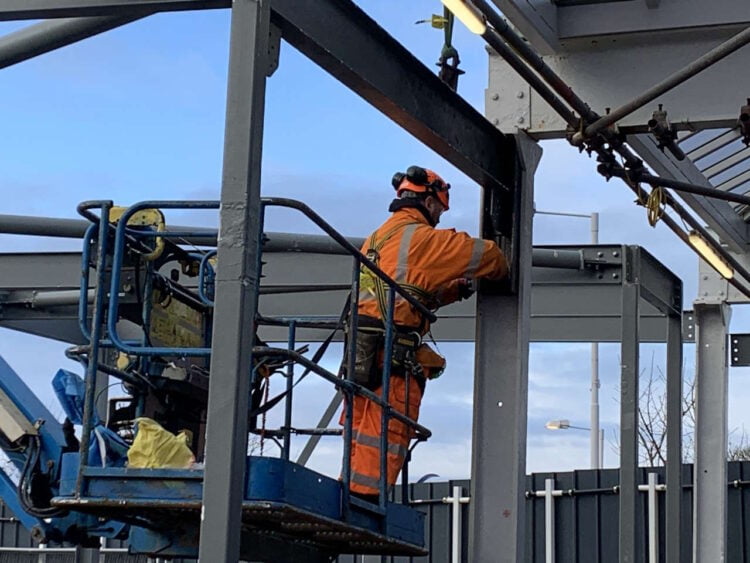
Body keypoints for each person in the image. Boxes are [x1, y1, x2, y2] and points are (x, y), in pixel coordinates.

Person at [342, 165, 509, 500]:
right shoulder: (421, 239)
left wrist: (452, 290)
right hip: (393, 355)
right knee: (387, 429)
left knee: (360, 431)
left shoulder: (379, 237)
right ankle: (365, 501)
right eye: (439, 208)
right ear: (429, 201)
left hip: (362, 350)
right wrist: (503, 265)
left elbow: (405, 290)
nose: (439, 215)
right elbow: (491, 257)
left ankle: (351, 492)